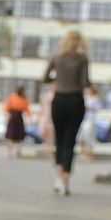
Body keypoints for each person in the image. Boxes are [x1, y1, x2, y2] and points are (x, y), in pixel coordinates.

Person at [42, 28, 92, 196]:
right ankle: (65, 180)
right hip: (76, 100)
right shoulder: (82, 58)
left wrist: (58, 79)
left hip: (59, 99)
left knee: (59, 140)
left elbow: (45, 78)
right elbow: (85, 82)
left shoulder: (56, 56)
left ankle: (58, 177)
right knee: (70, 141)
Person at [3, 86, 30, 158]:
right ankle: (10, 152)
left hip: (19, 117)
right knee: (10, 135)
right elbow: (7, 107)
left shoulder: (24, 98)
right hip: (13, 117)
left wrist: (30, 117)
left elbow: (27, 109)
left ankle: (19, 151)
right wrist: (6, 118)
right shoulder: (12, 97)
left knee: (20, 135)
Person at [79, 85, 102, 160]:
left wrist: (89, 107)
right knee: (81, 136)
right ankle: (83, 152)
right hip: (83, 119)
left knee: (88, 135)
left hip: (90, 119)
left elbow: (98, 108)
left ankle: (89, 153)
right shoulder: (85, 97)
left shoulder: (95, 99)